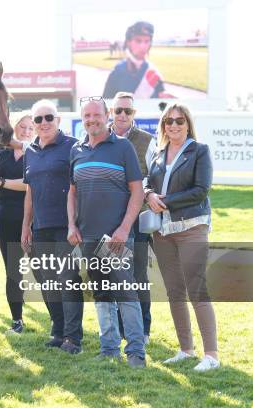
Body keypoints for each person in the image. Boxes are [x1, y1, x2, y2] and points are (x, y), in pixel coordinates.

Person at [68, 96, 146, 367]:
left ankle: (136, 351)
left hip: (116, 238)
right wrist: (71, 224)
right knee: (101, 293)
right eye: (86, 116)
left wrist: (124, 229)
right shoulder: (77, 150)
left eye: (96, 115)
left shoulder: (123, 148)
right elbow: (72, 192)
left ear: (107, 115)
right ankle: (109, 348)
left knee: (125, 292)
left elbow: (137, 191)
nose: (92, 120)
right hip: (88, 237)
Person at [145, 103, 219, 371]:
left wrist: (165, 201)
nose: (173, 125)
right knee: (175, 291)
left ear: (188, 124)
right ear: (163, 125)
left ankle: (211, 355)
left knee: (197, 289)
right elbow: (147, 182)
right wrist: (148, 195)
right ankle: (186, 349)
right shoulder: (157, 153)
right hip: (163, 231)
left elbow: (201, 190)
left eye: (179, 120)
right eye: (168, 121)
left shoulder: (199, 151)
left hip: (191, 227)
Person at [21, 100, 84, 353]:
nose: (44, 123)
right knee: (47, 281)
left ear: (58, 120)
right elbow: (29, 191)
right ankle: (57, 331)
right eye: (38, 119)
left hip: (66, 226)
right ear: (33, 124)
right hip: (41, 227)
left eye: (49, 118)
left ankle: (73, 337)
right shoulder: (30, 151)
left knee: (67, 279)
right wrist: (26, 226)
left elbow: (77, 187)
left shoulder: (72, 147)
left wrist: (74, 224)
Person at [109, 92, 155, 344]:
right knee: (112, 273)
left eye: (128, 111)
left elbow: (154, 179)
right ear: (111, 112)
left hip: (136, 220)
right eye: (118, 111)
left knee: (138, 275)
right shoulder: (98, 137)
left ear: (134, 114)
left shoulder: (147, 141)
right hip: (107, 219)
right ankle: (118, 328)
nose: (123, 115)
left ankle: (144, 329)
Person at [0, 113, 33, 334]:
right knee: (13, 272)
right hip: (6, 219)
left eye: (30, 128)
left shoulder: (36, 155)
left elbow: (28, 184)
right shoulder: (3, 155)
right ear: (15, 128)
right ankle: (17, 320)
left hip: (32, 220)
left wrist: (2, 182)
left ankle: (58, 322)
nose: (26, 131)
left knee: (43, 271)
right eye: (22, 127)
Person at [103, 21, 173, 99]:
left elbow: (161, 100)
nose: (143, 46)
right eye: (138, 41)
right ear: (128, 42)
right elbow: (106, 104)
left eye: (147, 41)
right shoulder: (117, 72)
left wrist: (166, 98)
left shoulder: (153, 72)